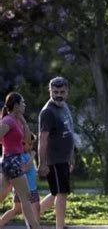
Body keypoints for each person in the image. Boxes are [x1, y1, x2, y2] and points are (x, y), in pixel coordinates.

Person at [0, 92, 41, 228]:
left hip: (13, 160)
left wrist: (24, 122)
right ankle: (36, 227)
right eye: (22, 102)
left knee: (3, 194)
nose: (25, 105)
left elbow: (27, 140)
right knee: (26, 196)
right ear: (16, 105)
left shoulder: (17, 121)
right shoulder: (8, 121)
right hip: (11, 161)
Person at [38, 76, 75, 229]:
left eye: (62, 91)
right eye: (55, 92)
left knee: (55, 193)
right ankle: (60, 226)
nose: (59, 95)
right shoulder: (48, 112)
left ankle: (32, 216)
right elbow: (43, 138)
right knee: (62, 193)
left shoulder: (64, 106)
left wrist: (71, 157)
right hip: (55, 159)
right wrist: (42, 162)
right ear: (50, 91)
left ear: (67, 91)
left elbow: (69, 131)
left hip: (64, 158)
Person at [0, 133, 40, 227]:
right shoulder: (18, 156)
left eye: (32, 145)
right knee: (34, 210)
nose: (31, 147)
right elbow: (24, 168)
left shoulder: (26, 154)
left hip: (32, 187)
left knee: (17, 210)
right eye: (29, 144)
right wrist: (32, 157)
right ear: (21, 143)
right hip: (24, 189)